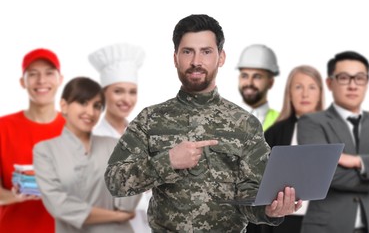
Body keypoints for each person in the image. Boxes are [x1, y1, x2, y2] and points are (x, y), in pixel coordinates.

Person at [104, 14, 301, 232]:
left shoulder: (245, 124)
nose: (196, 61)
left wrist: (269, 210)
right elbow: (115, 181)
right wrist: (167, 161)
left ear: (221, 57)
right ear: (175, 58)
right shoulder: (150, 119)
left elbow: (251, 195)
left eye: (206, 52)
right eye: (187, 51)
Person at [297, 51, 369, 233]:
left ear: (367, 83)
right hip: (328, 228)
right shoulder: (312, 122)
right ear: (330, 83)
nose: (353, 85)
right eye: (344, 78)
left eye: (359, 78)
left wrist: (358, 162)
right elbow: (323, 175)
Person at [33, 77, 141, 233]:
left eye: (97, 106)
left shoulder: (114, 145)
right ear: (64, 105)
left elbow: (127, 201)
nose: (90, 112)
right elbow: (59, 205)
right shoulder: (45, 150)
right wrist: (117, 216)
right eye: (83, 103)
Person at [0, 48, 65, 233]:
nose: (42, 81)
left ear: (60, 79)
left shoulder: (76, 129)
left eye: (49, 73)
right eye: (33, 74)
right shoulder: (2, 128)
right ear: (23, 82)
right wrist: (14, 196)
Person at [89, 43, 151, 233]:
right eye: (118, 91)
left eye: (132, 92)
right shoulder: (93, 139)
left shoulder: (144, 135)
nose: (127, 99)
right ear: (103, 94)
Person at [263, 65, 325, 233]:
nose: (305, 94)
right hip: (284, 223)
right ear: (289, 93)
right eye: (298, 87)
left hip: (323, 222)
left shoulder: (335, 130)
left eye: (311, 87)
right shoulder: (273, 133)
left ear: (320, 93)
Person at [237, 44, 280, 131]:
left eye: (257, 77)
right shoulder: (221, 120)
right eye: (244, 76)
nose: (249, 83)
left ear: (270, 82)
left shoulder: (282, 121)